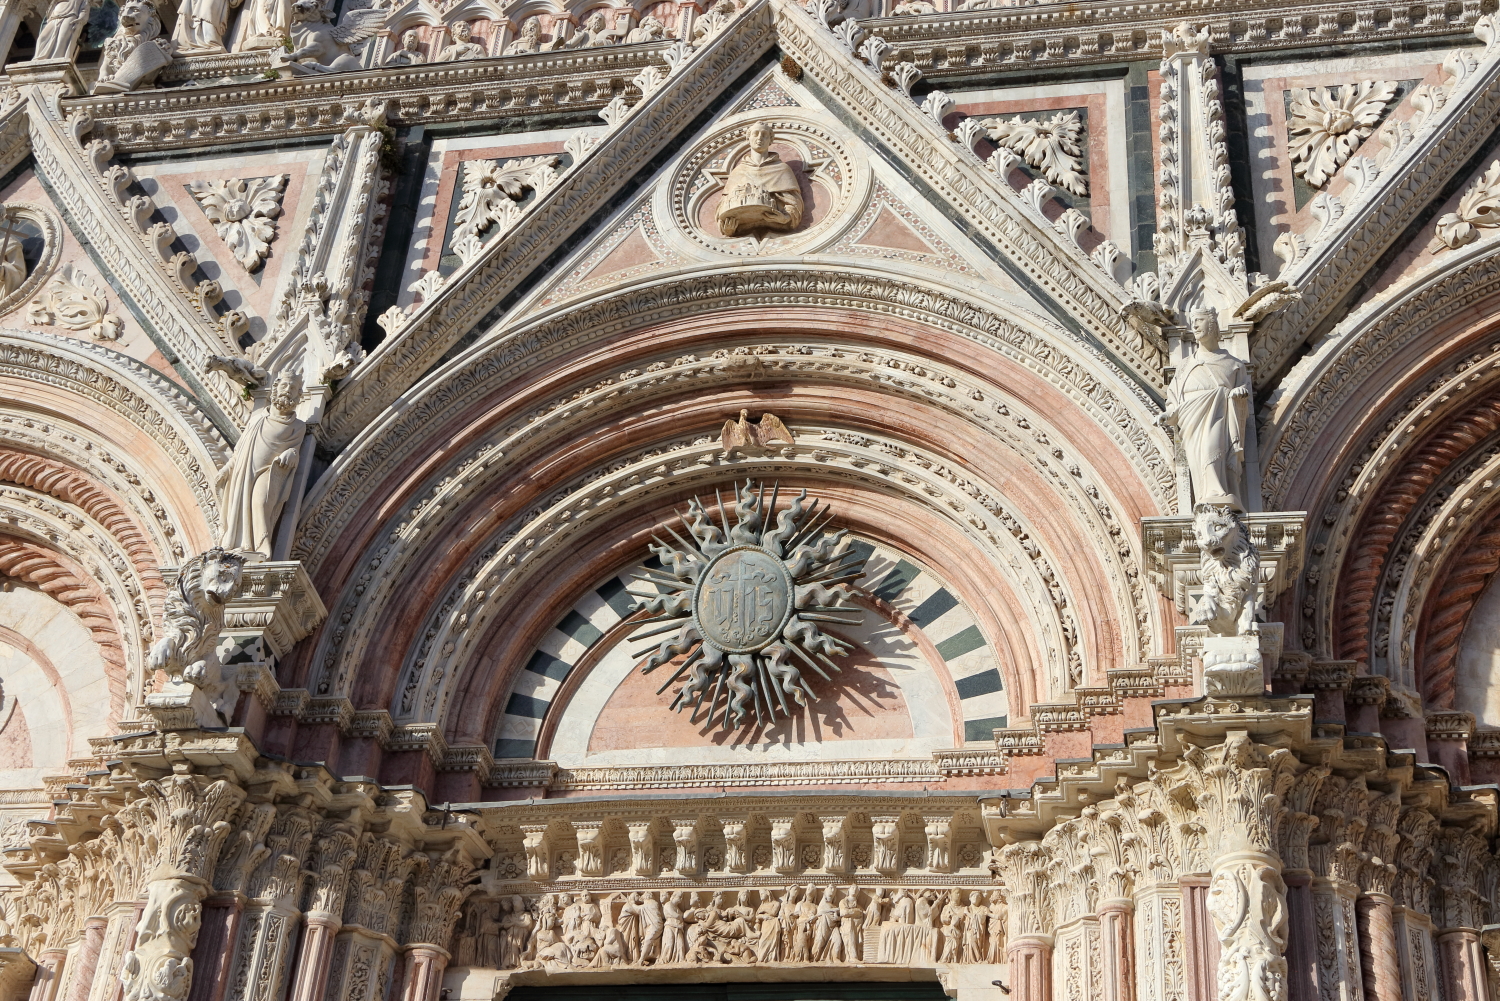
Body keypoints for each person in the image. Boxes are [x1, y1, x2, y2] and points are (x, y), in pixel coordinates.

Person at [1160, 308, 1253, 511]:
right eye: (1193, 321)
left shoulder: (1234, 364)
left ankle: (1217, 493)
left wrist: (1237, 394)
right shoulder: (1185, 364)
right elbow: (1174, 396)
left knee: (1213, 449)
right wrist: (1169, 413)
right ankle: (1205, 494)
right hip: (1191, 417)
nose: (1195, 325)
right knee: (1198, 459)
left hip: (1219, 411)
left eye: (1200, 320)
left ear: (1212, 325)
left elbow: (1244, 391)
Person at [215, 372, 305, 558]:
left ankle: (260, 549)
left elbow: (295, 450)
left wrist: (291, 453)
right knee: (239, 505)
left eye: (293, 388)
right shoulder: (257, 419)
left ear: (298, 395)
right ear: (275, 389)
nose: (287, 390)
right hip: (244, 470)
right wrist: (227, 468)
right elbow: (240, 450)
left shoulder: (297, 426)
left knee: (261, 502)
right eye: (284, 386)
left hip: (270, 470)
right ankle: (240, 545)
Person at [716, 121, 804, 236]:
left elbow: (795, 203)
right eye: (755, 134)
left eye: (764, 135)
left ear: (770, 140)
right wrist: (727, 228)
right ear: (748, 138)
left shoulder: (782, 169)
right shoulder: (738, 172)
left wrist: (785, 218)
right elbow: (723, 207)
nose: (759, 138)